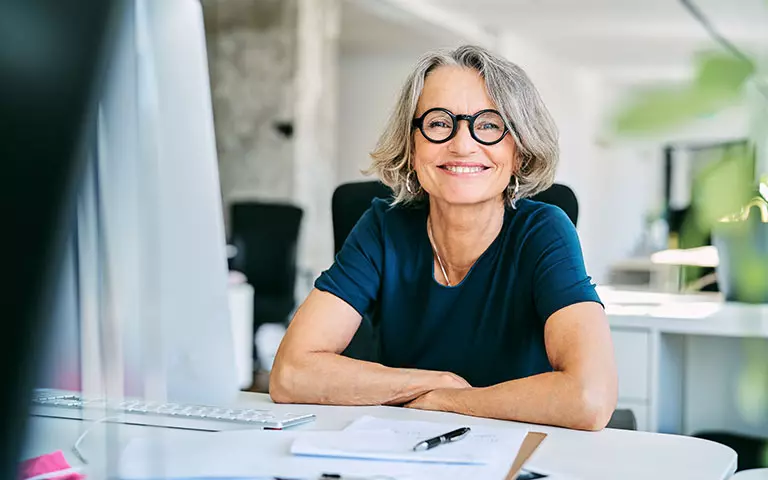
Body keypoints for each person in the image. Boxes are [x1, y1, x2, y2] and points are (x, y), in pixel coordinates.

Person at [270, 45, 617, 431]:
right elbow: (290, 373)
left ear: (518, 151)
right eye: (438, 123)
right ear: (412, 145)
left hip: (517, 451)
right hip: (403, 447)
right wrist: (434, 381)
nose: (463, 144)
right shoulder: (383, 226)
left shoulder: (543, 231)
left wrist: (452, 401)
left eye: (488, 124)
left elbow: (590, 398)